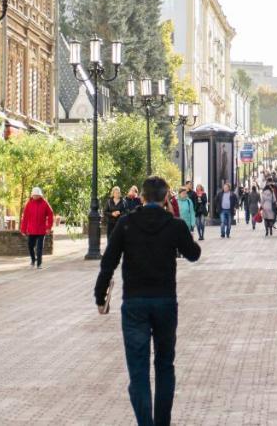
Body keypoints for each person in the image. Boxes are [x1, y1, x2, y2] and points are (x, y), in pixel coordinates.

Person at [95, 175, 201, 426]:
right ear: (166, 198)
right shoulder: (174, 225)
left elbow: (109, 260)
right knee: (165, 365)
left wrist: (100, 295)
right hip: (165, 302)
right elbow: (194, 254)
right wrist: (181, 236)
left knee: (138, 370)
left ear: (141, 198)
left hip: (134, 304)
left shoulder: (126, 223)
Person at [19, 186, 54, 269]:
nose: (35, 196)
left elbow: (50, 214)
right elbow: (25, 217)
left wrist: (48, 227)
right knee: (30, 246)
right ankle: (33, 260)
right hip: (31, 230)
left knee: (39, 248)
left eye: (37, 195)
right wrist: (23, 229)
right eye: (34, 195)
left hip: (41, 230)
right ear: (32, 195)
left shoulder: (45, 203)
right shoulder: (29, 204)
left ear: (40, 195)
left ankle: (39, 264)